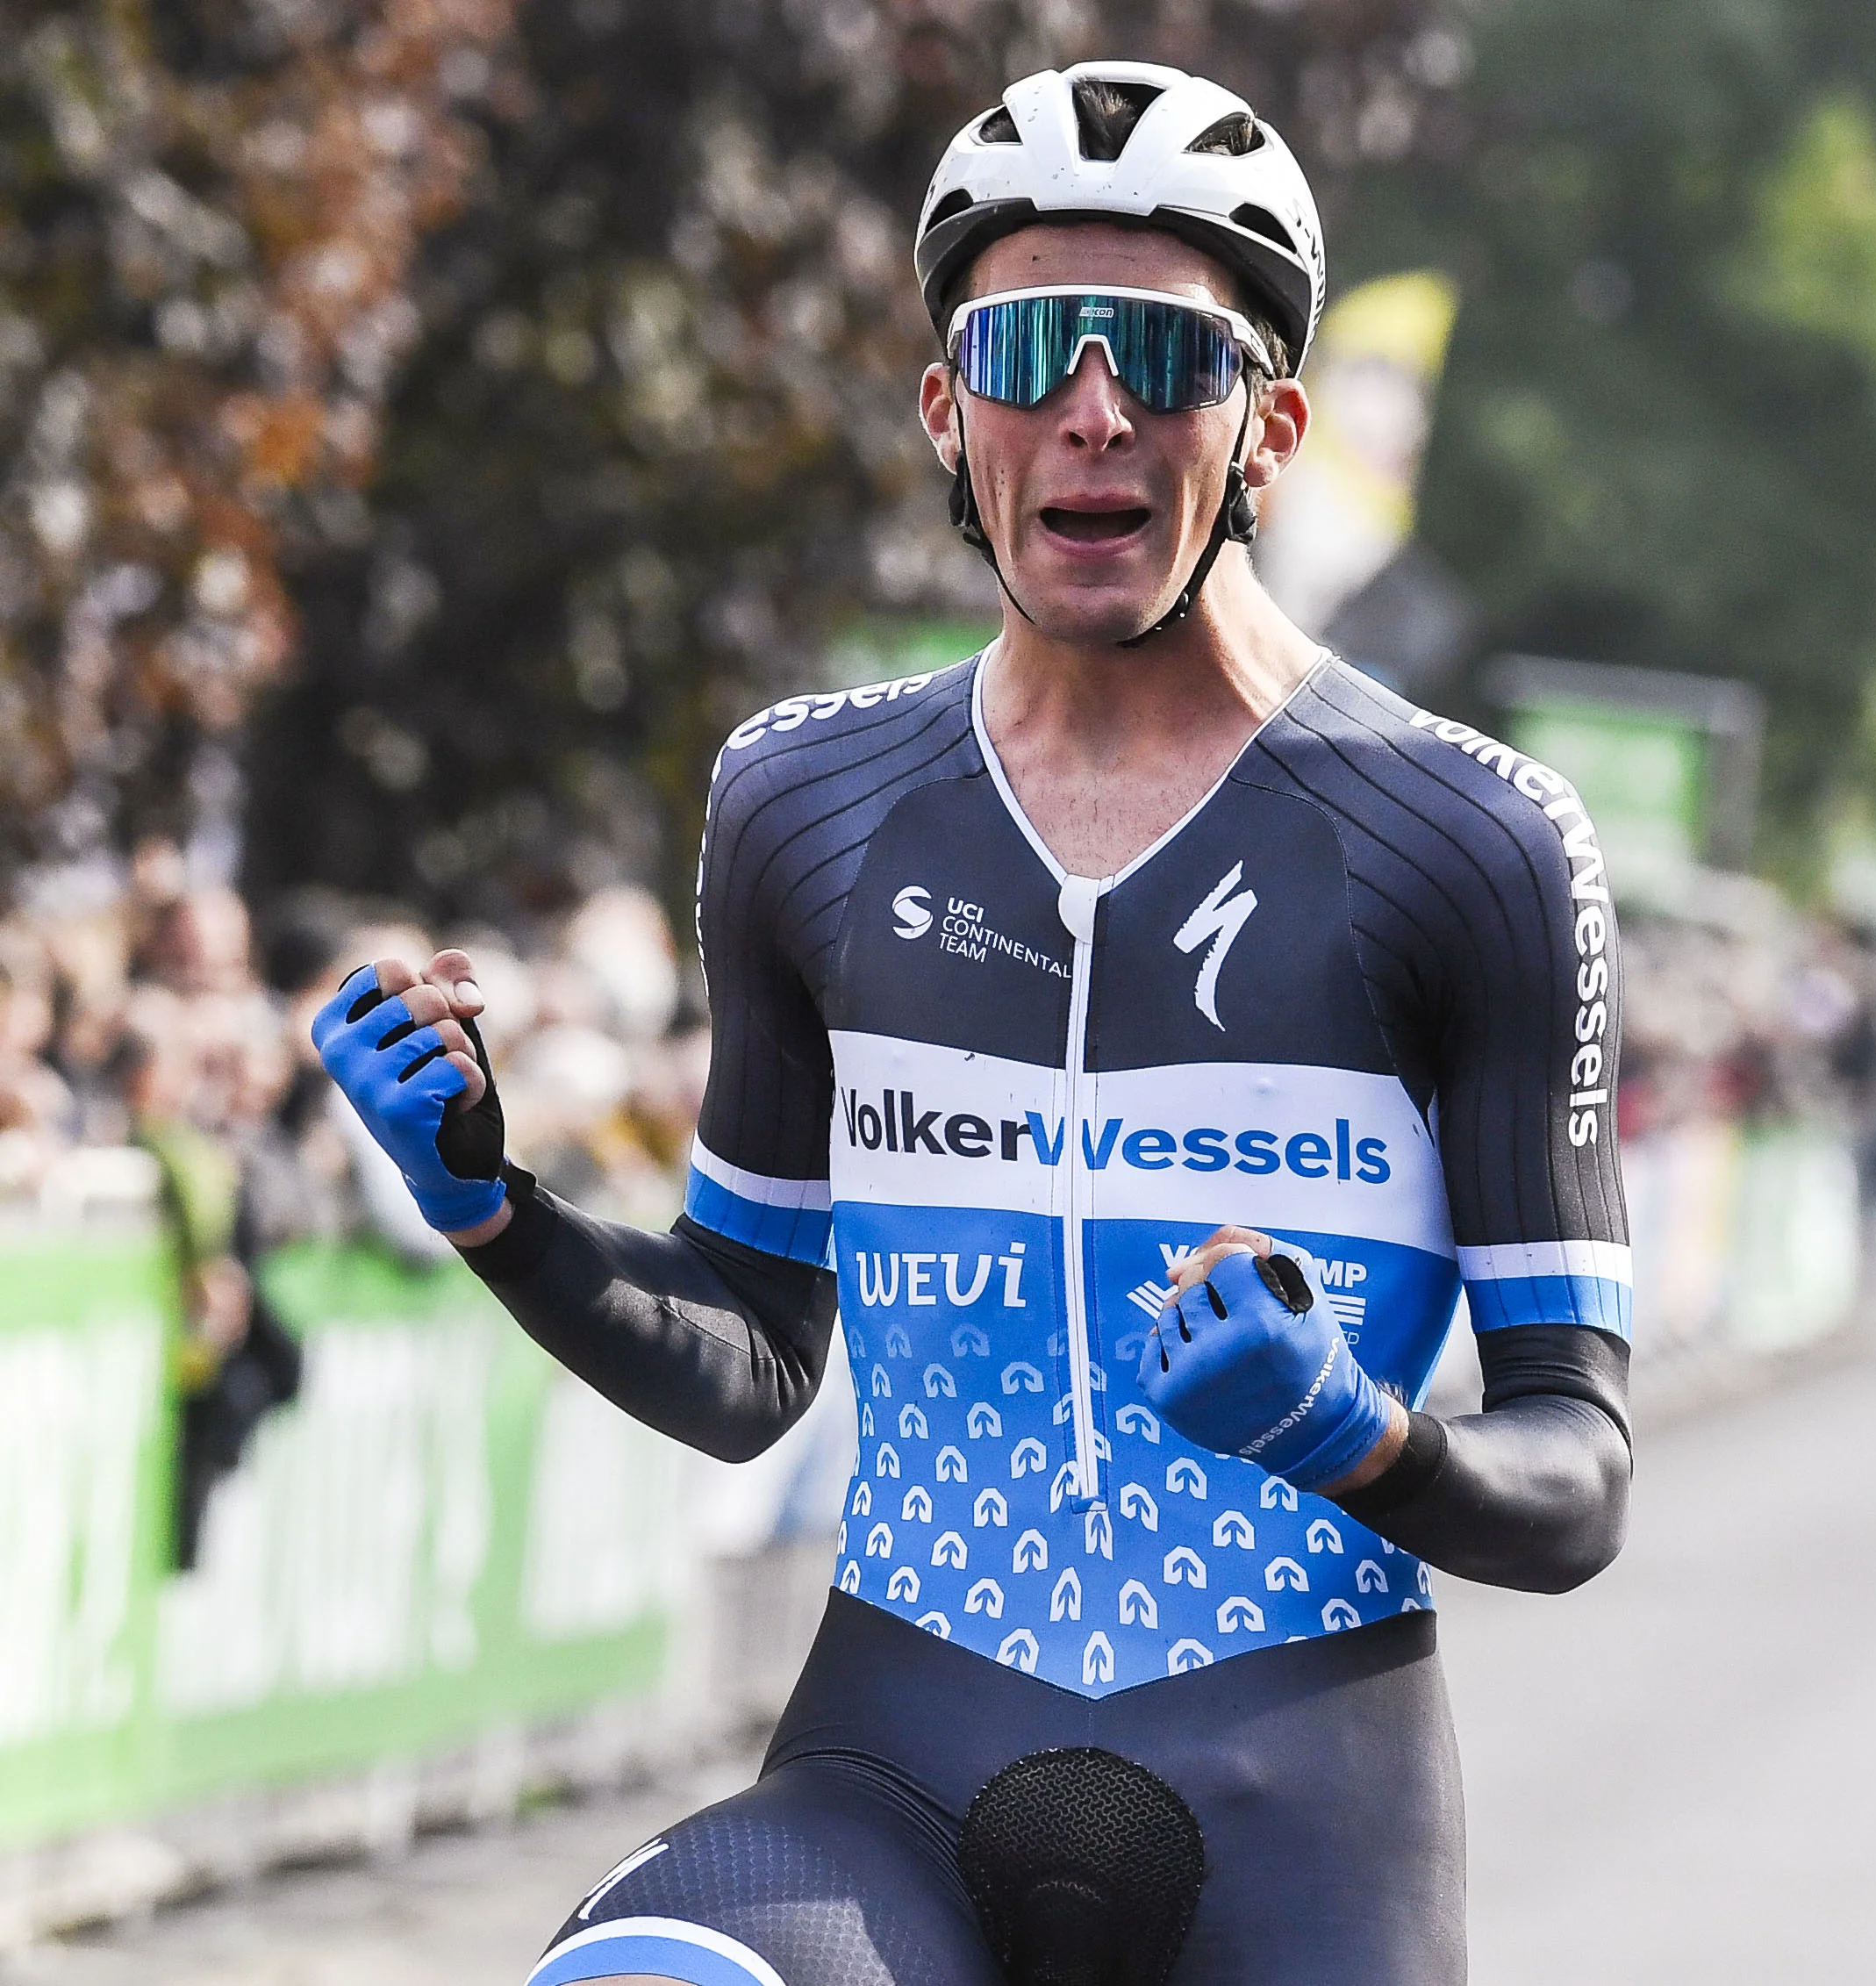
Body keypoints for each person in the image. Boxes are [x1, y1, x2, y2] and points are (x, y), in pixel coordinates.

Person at [308, 61, 1634, 1986]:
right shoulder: (806, 801)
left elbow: (1575, 1474)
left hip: (1297, 1808)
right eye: (1028, 348)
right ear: (949, 412)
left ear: (1264, 430)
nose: (1088, 407)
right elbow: (753, 1348)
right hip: (894, 1766)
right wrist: (492, 1206)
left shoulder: (1467, 842)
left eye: (1157, 359)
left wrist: (1354, 1438)